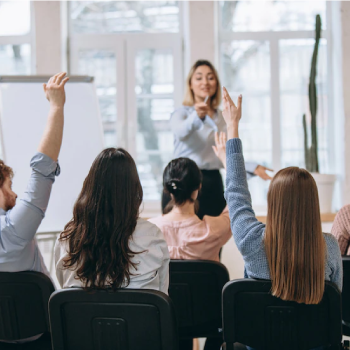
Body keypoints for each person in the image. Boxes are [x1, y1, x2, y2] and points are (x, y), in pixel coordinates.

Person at [221, 87, 342, 350]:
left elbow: (236, 193)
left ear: (273, 204)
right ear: (313, 205)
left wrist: (233, 127)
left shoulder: (252, 241)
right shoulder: (329, 247)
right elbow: (334, 310)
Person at [0, 72, 69, 343]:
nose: (14, 194)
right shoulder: (14, 231)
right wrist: (56, 106)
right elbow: (43, 168)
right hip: (39, 337)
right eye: (8, 186)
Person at [164, 59, 272, 219]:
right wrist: (196, 117)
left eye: (210, 77)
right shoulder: (181, 114)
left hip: (212, 183)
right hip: (182, 181)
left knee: (214, 239)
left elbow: (226, 151)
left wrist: (251, 167)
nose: (205, 82)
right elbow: (181, 132)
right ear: (191, 84)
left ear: (216, 83)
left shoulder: (222, 117)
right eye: (199, 77)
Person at [55, 148, 170, 294]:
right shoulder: (153, 237)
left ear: (90, 187)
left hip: (86, 317)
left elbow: (67, 297)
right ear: (134, 190)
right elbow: (162, 297)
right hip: (137, 317)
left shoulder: (67, 239)